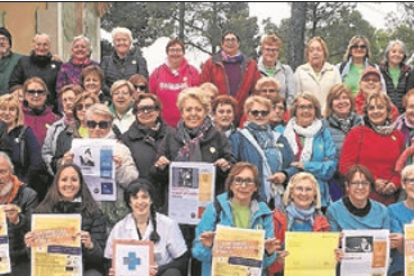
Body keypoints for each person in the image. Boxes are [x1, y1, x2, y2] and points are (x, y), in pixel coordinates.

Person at [192, 162, 278, 276]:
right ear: (231, 184)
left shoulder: (264, 213)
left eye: (249, 181)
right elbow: (197, 253)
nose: (243, 186)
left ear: (255, 187)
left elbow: (266, 263)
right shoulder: (214, 209)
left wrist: (269, 252)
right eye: (238, 180)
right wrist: (208, 246)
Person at [59, 104, 138, 227]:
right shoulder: (77, 147)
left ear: (110, 125)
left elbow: (132, 181)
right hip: (84, 208)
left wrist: (119, 168)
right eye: (92, 124)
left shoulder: (120, 149)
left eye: (102, 124)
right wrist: (66, 164)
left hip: (112, 211)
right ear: (85, 124)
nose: (97, 129)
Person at [25, 163, 107, 276]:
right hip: (52, 268)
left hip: (84, 269)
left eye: (74, 179)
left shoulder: (94, 212)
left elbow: (100, 258)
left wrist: (90, 245)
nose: (69, 184)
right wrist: (31, 246)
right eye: (64, 179)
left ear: (80, 183)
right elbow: (35, 257)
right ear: (57, 183)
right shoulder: (42, 211)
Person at [105, 179, 189, 276]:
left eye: (144, 197)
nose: (140, 202)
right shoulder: (119, 228)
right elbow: (108, 261)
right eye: (135, 198)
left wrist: (159, 270)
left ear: (151, 200)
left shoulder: (168, 225)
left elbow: (182, 261)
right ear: (129, 202)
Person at [229, 95, 298, 207]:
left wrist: (284, 175)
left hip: (277, 198)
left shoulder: (279, 138)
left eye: (264, 112)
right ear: (247, 114)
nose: (259, 116)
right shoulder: (238, 138)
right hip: (249, 198)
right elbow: (232, 167)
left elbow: (294, 166)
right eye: (255, 112)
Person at [340, 92, 405, 206]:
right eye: (371, 108)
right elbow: (345, 166)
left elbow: (402, 167)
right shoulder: (356, 134)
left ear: (388, 111)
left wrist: (395, 183)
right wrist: (372, 181)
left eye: (380, 107)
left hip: (389, 200)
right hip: (361, 199)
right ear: (366, 112)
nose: (376, 111)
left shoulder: (398, 136)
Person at [326, 166, 390, 267]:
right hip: (344, 266)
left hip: (374, 267)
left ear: (370, 186)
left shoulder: (382, 211)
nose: (360, 187)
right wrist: (336, 242)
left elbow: (386, 245)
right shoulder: (334, 210)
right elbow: (332, 245)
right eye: (355, 183)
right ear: (347, 186)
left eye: (365, 183)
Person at [268, 172, 329, 276]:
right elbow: (267, 262)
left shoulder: (322, 222)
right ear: (291, 193)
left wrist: (333, 257)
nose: (304, 193)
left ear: (314, 195)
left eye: (308, 189)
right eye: (299, 188)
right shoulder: (275, 218)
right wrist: (277, 261)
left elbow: (325, 260)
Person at [283, 93, 337, 210]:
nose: (306, 111)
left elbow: (331, 166)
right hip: (288, 194)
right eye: (302, 107)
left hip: (318, 196)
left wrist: (306, 166)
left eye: (310, 107)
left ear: (315, 110)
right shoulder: (282, 132)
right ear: (295, 110)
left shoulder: (323, 133)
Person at [200, 30, 261, 126]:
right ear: (222, 44)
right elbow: (203, 90)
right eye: (227, 40)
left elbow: (257, 91)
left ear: (238, 43)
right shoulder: (211, 63)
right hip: (217, 117)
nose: (230, 43)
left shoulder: (251, 65)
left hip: (242, 116)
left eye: (233, 40)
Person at [121, 93, 169, 209]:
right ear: (135, 113)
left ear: (158, 111)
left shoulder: (172, 135)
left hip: (168, 199)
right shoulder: (126, 139)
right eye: (141, 109)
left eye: (150, 108)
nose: (146, 112)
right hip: (140, 200)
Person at [0, 152, 38, 276]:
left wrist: (18, 221)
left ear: (11, 173)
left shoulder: (28, 195)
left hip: (19, 259)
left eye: (2, 172)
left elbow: (35, 231)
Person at [323, 84, 363, 201]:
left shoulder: (362, 123)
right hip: (334, 180)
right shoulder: (323, 126)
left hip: (360, 179)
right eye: (336, 98)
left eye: (345, 98)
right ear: (330, 103)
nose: (341, 102)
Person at [149, 38, 200, 126]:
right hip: (163, 124)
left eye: (178, 50)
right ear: (167, 53)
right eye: (172, 50)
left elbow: (199, 97)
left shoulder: (192, 72)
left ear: (183, 53)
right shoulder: (157, 73)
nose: (175, 53)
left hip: (187, 124)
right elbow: (151, 97)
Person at [9, 33, 62, 112]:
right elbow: (14, 83)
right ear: (33, 45)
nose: (41, 47)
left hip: (51, 109)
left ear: (49, 47)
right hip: (26, 109)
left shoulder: (57, 64)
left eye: (45, 45)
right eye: (38, 44)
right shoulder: (23, 62)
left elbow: (60, 87)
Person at [0, 94, 43, 190]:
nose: (7, 113)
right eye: (3, 109)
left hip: (21, 185)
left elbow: (36, 162)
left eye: (11, 109)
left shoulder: (26, 133)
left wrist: (22, 183)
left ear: (17, 113)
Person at [42, 84, 82, 175]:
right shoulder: (55, 128)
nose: (68, 103)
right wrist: (58, 166)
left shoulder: (89, 125)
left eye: (71, 99)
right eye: (65, 100)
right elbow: (46, 153)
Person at [295, 36, 341, 111]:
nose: (315, 53)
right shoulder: (300, 71)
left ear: (324, 53)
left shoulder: (333, 70)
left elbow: (338, 95)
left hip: (328, 115)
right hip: (307, 114)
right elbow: (297, 96)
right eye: (311, 50)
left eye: (318, 50)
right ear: (307, 54)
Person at [100, 27, 148, 97]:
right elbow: (101, 82)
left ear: (130, 42)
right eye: (118, 40)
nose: (121, 43)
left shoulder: (140, 61)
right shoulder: (105, 61)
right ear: (113, 43)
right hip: (110, 99)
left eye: (124, 40)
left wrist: (127, 95)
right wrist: (115, 94)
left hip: (132, 100)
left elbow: (143, 82)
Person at [388, 164, 414, 276]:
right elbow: (398, 246)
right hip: (401, 269)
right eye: (411, 180)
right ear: (403, 184)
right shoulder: (392, 210)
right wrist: (401, 242)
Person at [55, 35, 99, 101]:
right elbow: (59, 89)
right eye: (76, 47)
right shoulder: (65, 67)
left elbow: (100, 86)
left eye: (83, 47)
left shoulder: (96, 66)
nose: (79, 49)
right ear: (72, 50)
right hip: (70, 102)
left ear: (88, 50)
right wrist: (72, 88)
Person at [258, 34, 296, 106]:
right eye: (267, 49)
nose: (271, 53)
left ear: (278, 51)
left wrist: (284, 112)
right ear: (262, 50)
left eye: (274, 50)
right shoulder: (254, 70)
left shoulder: (286, 71)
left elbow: (292, 96)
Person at [21, 77, 61, 147]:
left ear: (45, 95)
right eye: (31, 92)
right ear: (25, 95)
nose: (36, 95)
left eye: (40, 92)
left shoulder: (56, 119)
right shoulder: (17, 116)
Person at [379, 40, 413, 113]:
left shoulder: (410, 72)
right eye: (393, 51)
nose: (397, 54)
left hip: (405, 114)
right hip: (384, 113)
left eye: (401, 52)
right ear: (388, 53)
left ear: (404, 55)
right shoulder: (379, 71)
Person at [0, 27, 22, 95]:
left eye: (4, 39)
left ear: (10, 42)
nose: (1, 42)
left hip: (12, 102)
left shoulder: (21, 60)